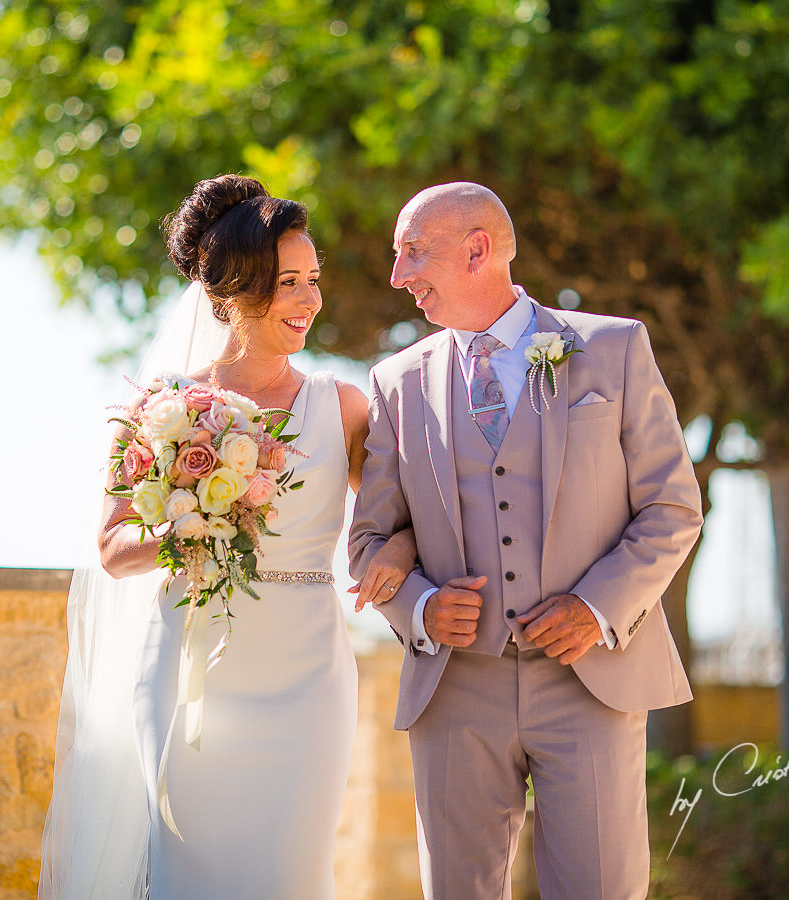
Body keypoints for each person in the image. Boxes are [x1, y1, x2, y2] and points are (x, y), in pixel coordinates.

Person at [40, 174, 416, 899]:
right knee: (190, 868)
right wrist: (192, 533)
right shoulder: (162, 408)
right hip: (189, 668)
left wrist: (396, 553)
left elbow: (397, 523)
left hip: (308, 674)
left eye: (313, 280)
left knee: (293, 869)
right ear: (233, 292)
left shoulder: (343, 409)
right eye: (287, 283)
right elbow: (113, 550)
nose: (309, 300)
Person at [349, 182, 703, 899]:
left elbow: (672, 508)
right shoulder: (395, 384)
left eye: (413, 252)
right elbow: (370, 540)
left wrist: (596, 607)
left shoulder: (613, 348)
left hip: (591, 679)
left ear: (478, 249)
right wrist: (419, 609)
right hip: (456, 686)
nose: (398, 277)